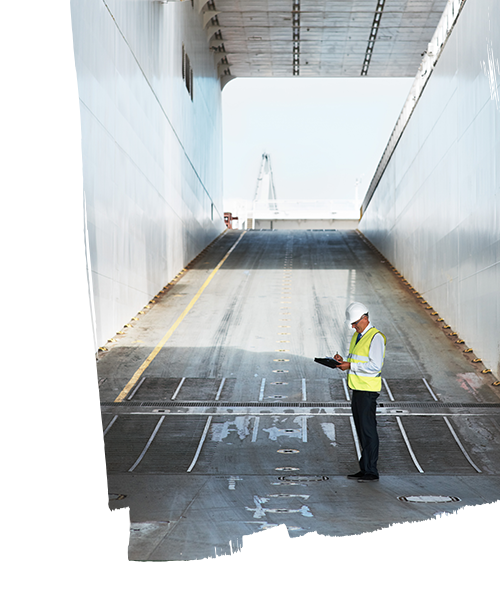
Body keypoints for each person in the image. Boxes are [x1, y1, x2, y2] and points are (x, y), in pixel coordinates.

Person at [334, 302, 386, 482]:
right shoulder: (358, 336)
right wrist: (344, 361)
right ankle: (364, 468)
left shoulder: (376, 337)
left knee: (369, 431)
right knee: (362, 431)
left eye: (356, 323)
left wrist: (350, 365)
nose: (353, 326)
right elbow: (357, 359)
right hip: (357, 389)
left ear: (365, 318)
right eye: (352, 324)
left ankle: (371, 471)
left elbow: (374, 366)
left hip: (367, 390)